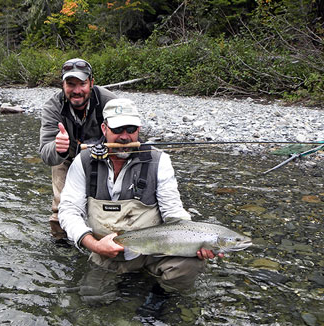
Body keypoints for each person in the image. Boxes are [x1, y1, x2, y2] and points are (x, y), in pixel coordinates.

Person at [58, 98, 222, 291]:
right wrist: (93, 245)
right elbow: (68, 211)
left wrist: (197, 241)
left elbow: (174, 213)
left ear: (139, 129)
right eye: (118, 130)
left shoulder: (159, 161)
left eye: (131, 129)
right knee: (93, 300)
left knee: (190, 264)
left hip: (154, 250)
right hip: (105, 250)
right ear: (104, 128)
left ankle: (160, 298)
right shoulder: (84, 161)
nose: (125, 137)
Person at [39, 58, 116, 240]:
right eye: (70, 84)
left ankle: (105, 240)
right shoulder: (52, 107)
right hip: (66, 157)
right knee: (61, 206)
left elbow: (128, 134)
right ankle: (61, 245)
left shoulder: (109, 102)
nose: (76, 90)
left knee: (105, 204)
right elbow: (45, 154)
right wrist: (58, 148)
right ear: (62, 84)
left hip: (103, 155)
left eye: (82, 84)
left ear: (91, 82)